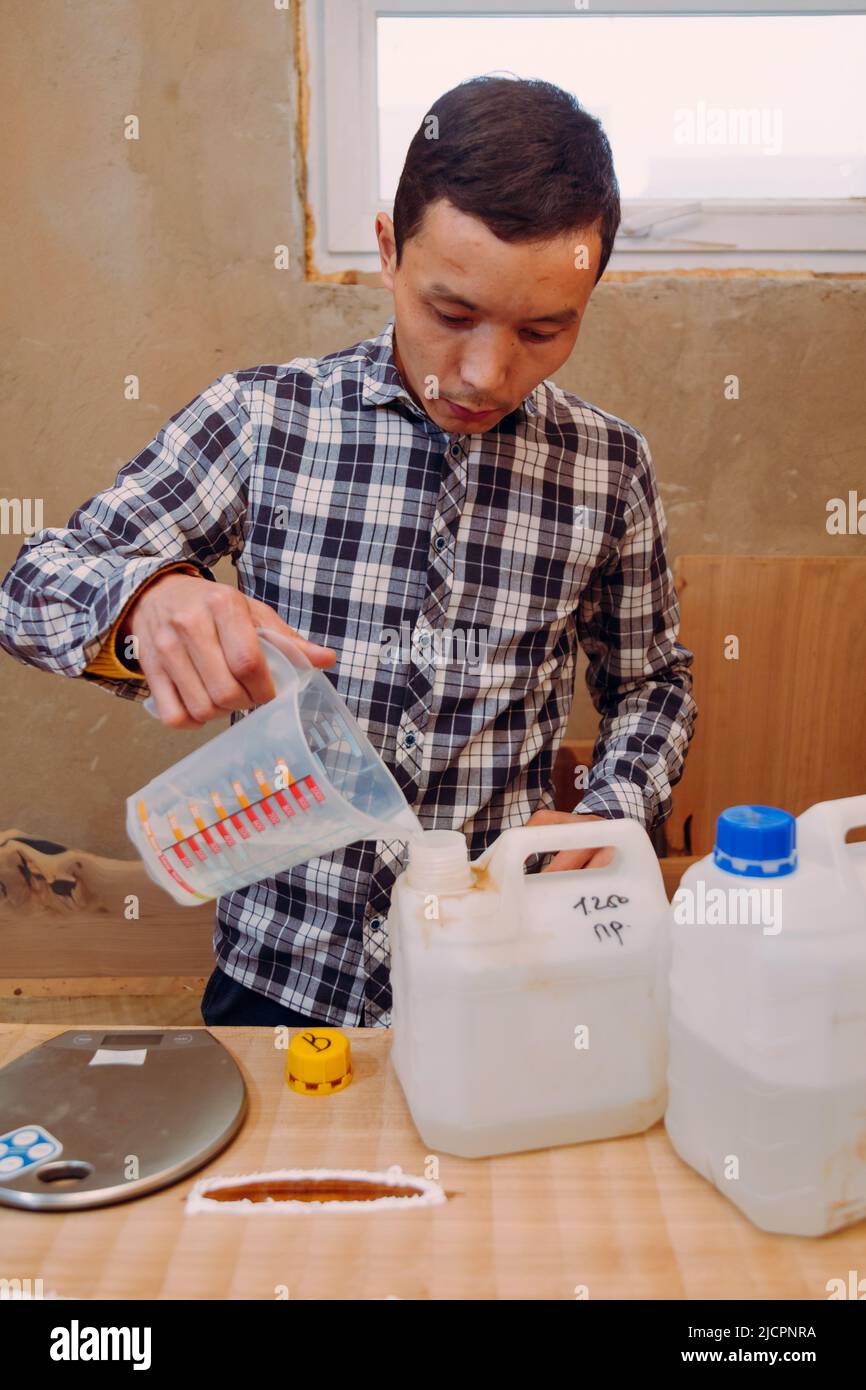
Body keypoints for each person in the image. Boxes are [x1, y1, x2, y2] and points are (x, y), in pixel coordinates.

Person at [0, 76, 696, 1028]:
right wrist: (144, 602)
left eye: (543, 329)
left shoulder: (610, 467)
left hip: (500, 978)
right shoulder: (262, 420)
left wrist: (616, 810)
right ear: (386, 250)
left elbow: (653, 683)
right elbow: (29, 586)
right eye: (452, 313)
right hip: (277, 984)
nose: (488, 373)